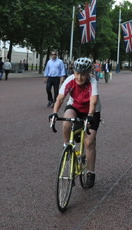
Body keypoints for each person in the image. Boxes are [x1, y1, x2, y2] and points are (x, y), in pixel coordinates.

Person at [49, 57, 101, 189]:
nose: (79, 77)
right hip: (75, 106)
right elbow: (60, 98)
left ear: (88, 73)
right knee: (66, 122)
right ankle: (67, 146)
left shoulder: (92, 82)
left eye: (83, 74)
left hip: (91, 110)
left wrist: (89, 116)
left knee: (89, 142)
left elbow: (93, 101)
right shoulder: (70, 80)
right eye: (77, 73)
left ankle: (90, 173)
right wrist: (55, 113)